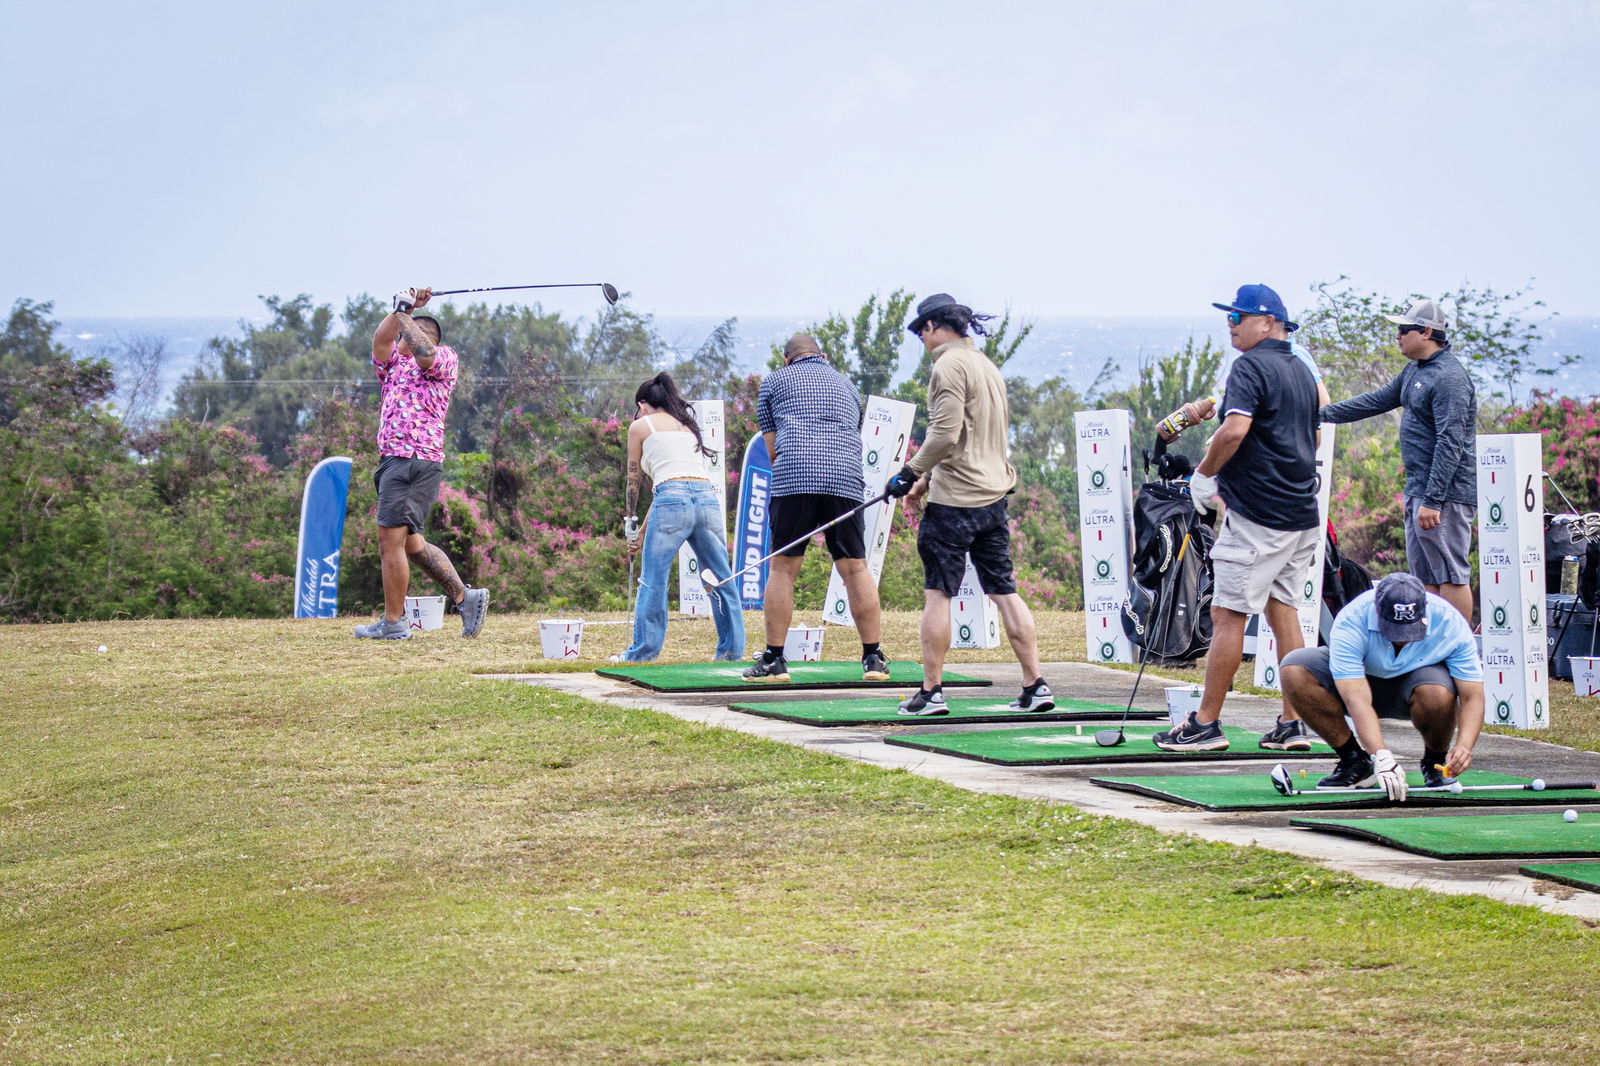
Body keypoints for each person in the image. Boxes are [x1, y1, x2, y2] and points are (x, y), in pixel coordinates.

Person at [1154, 284, 1319, 751]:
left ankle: (1204, 724)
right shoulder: (1301, 371)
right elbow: (1313, 440)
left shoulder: (1250, 366)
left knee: (1226, 614)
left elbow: (1234, 429)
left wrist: (1204, 477)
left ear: (1268, 324)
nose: (1230, 324)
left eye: (1239, 317)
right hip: (1300, 514)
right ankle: (1293, 722)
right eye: (1230, 316)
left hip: (1258, 517)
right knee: (1284, 612)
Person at [884, 294, 1053, 716]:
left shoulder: (947, 366)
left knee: (938, 594)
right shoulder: (985, 365)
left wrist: (908, 471)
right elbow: (970, 439)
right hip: (993, 497)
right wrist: (922, 482)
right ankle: (1036, 685)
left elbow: (944, 434)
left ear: (933, 327)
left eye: (921, 330)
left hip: (955, 503)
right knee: (1004, 590)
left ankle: (931, 692)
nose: (921, 339)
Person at [743, 334, 889, 683]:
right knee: (855, 567)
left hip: (796, 476)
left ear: (786, 358)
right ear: (822, 355)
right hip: (845, 478)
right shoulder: (847, 384)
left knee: (782, 569)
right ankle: (873, 658)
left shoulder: (775, 381)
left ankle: (775, 661)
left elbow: (773, 448)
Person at [1319, 298, 1477, 620]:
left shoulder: (1449, 378)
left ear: (1427, 332)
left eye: (1404, 330)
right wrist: (1318, 414)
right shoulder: (1415, 371)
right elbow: (1375, 401)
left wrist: (1433, 500)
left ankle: (1456, 650)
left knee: (1450, 575)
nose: (1398, 336)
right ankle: (1431, 653)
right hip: (1420, 490)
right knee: (1426, 579)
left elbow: (1451, 442)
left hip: (1444, 495)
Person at [355, 287, 489, 640]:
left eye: (408, 333)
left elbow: (425, 353)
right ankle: (465, 597)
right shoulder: (394, 368)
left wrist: (408, 317)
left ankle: (393, 623)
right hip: (394, 462)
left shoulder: (443, 360)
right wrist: (402, 309)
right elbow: (379, 343)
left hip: (413, 460)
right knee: (411, 544)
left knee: (389, 542)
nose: (401, 338)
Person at [1280, 572, 1484, 799]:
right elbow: (1356, 699)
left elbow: (1472, 696)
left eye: (1409, 629)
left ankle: (1435, 763)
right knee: (1295, 669)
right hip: (1362, 684)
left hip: (1418, 685)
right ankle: (1355, 763)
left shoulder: (1449, 622)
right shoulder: (1352, 619)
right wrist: (1381, 755)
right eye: (1394, 629)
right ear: (1377, 610)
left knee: (1437, 693)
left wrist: (1464, 747)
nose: (1401, 638)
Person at [618, 372, 745, 663]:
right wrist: (641, 534)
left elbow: (634, 481)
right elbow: (672, 485)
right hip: (705, 499)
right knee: (720, 578)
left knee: (653, 579)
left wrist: (630, 520)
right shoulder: (686, 427)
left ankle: (643, 653)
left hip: (672, 499)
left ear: (642, 404)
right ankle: (730, 652)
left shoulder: (640, 426)